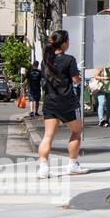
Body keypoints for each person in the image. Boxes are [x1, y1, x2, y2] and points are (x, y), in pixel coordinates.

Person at [36, 30, 87, 178]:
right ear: (64, 43)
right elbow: (75, 79)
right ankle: (72, 164)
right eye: (68, 41)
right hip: (67, 101)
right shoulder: (69, 59)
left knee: (48, 136)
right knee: (76, 131)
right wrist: (79, 77)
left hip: (50, 101)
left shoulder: (45, 61)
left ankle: (43, 168)